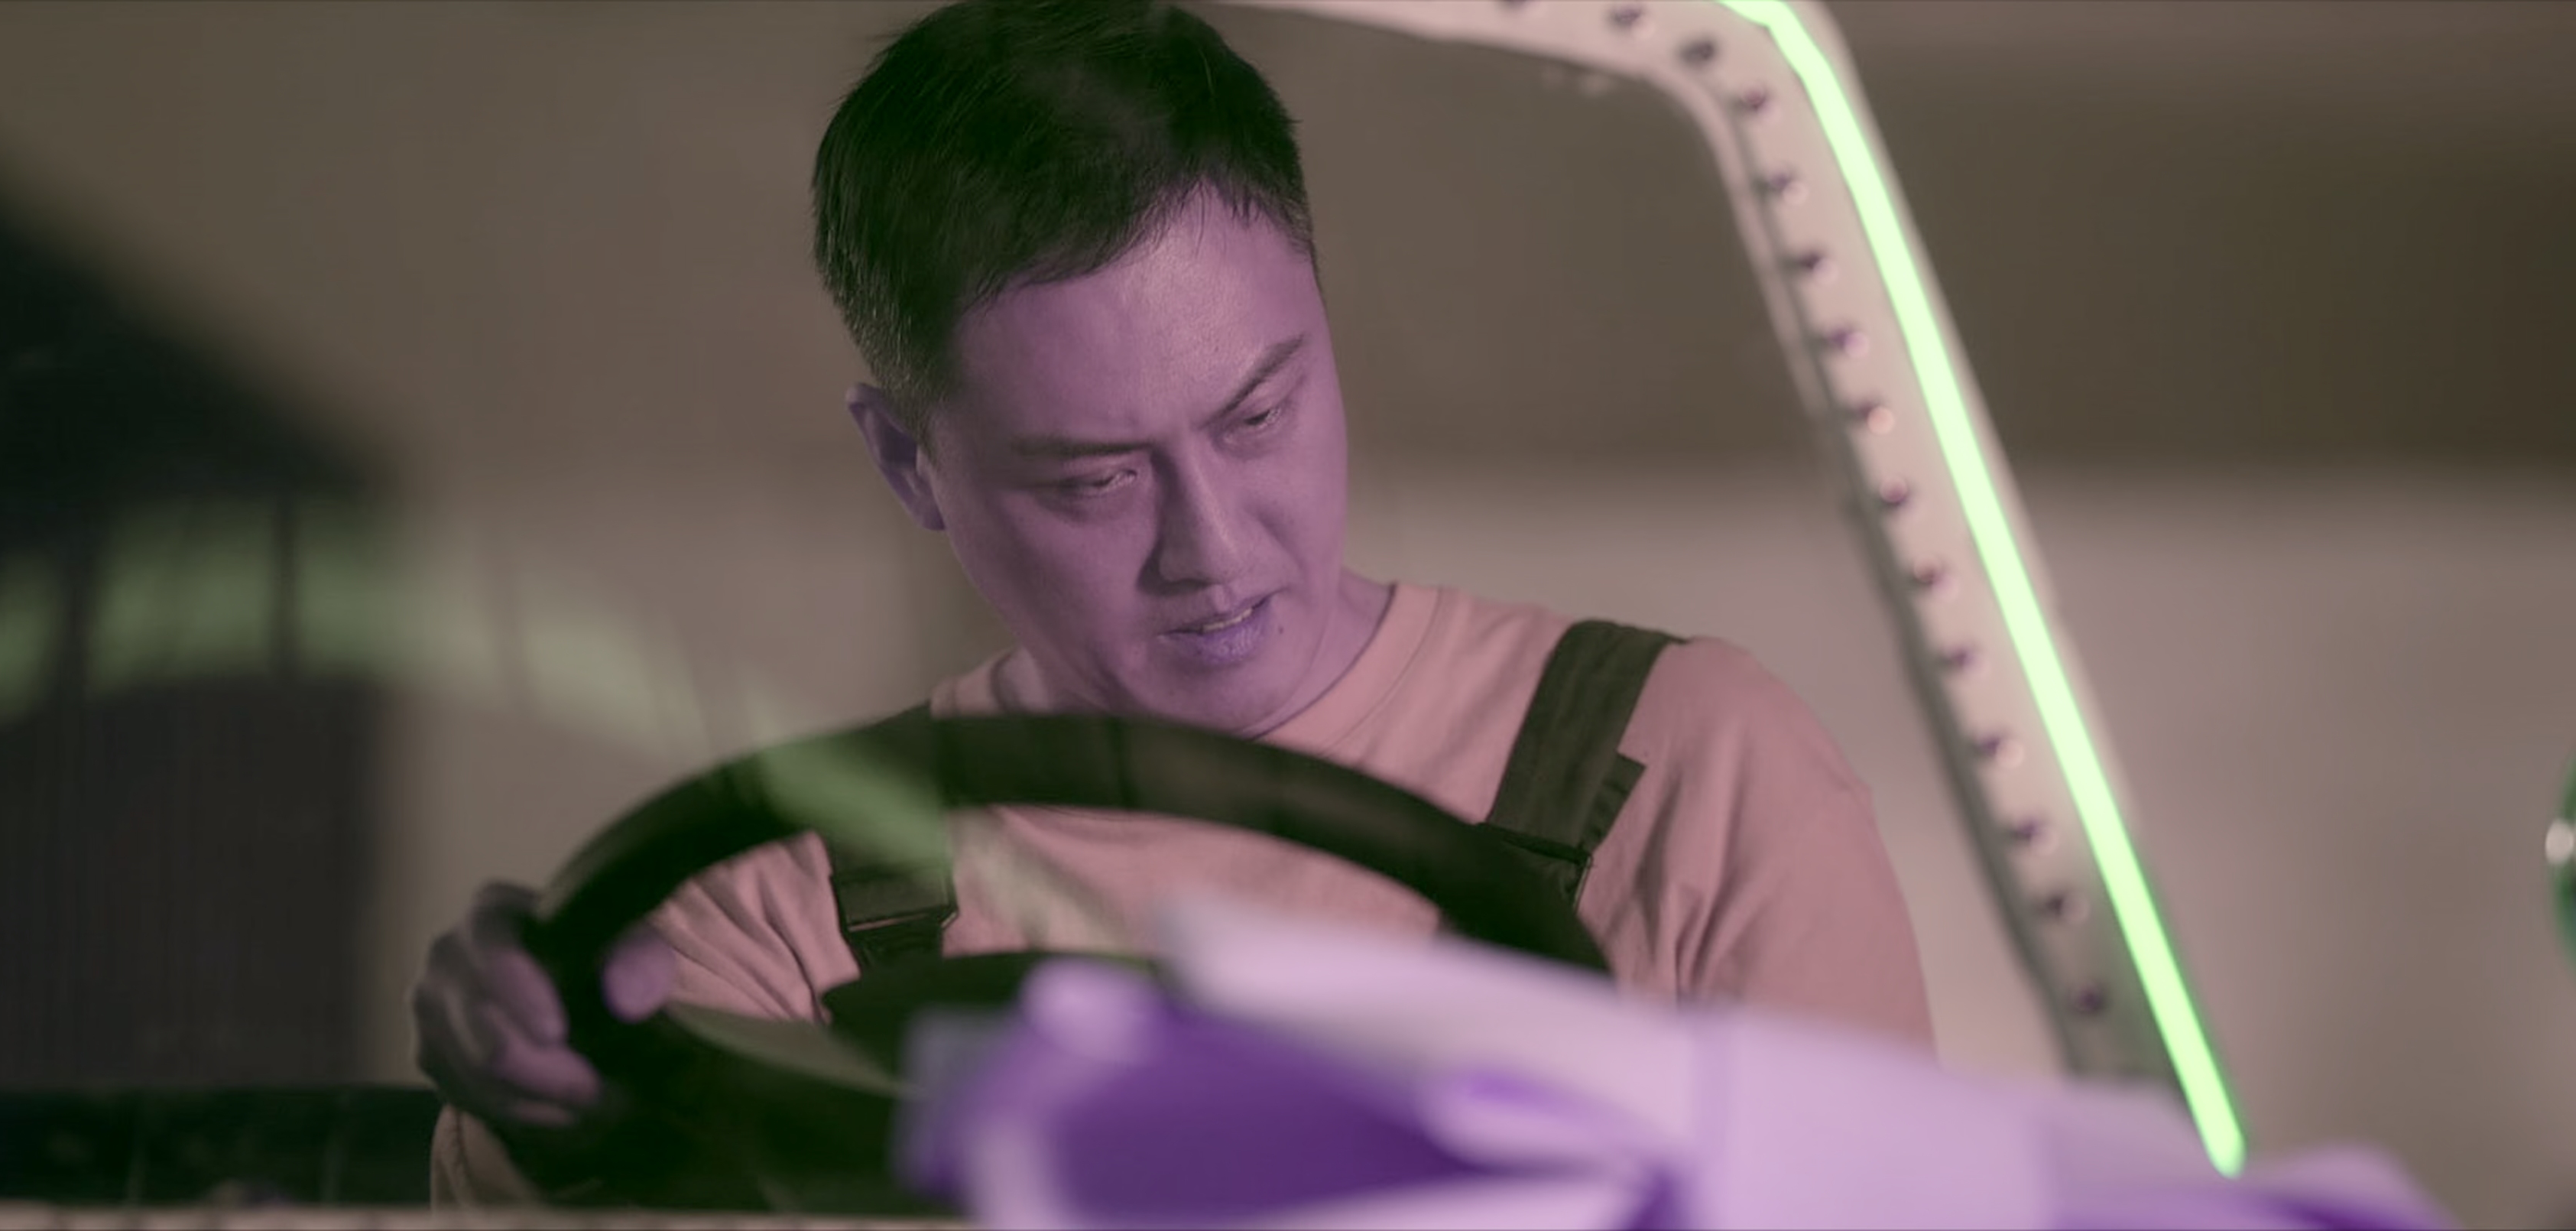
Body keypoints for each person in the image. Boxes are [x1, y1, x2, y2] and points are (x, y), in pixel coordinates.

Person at [418, 0, 1932, 1204]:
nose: (1211, 545)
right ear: (910, 463)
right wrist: (554, 1110)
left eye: (1259, 414)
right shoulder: (775, 914)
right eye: (1093, 479)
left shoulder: (1682, 775)